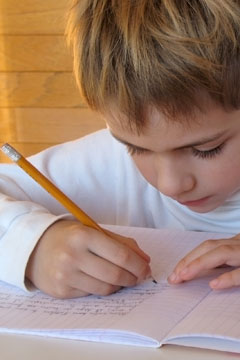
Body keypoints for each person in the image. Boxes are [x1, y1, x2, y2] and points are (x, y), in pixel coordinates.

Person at [0, 0, 240, 299]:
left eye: (207, 149)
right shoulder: (107, 161)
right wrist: (31, 244)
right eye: (135, 148)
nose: (170, 184)